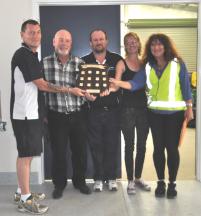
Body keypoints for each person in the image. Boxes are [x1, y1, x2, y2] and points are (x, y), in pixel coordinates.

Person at [110, 33, 194, 199]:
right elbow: (135, 84)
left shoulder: (177, 63)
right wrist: (117, 83)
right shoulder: (148, 66)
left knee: (172, 149)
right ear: (149, 47)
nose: (156, 47)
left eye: (159, 44)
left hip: (174, 114)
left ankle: (172, 184)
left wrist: (189, 107)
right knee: (157, 150)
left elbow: (185, 87)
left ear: (165, 46)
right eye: (153, 45)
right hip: (154, 114)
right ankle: (161, 182)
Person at [11, 19, 71, 214]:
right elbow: (42, 85)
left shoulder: (31, 54)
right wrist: (68, 90)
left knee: (26, 155)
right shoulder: (24, 55)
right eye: (30, 32)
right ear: (22, 35)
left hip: (31, 114)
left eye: (37, 32)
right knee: (26, 156)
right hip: (25, 115)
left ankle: (22, 192)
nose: (35, 35)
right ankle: (26, 200)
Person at [42, 29, 91, 199]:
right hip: (56, 116)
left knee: (80, 152)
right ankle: (59, 184)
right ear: (54, 42)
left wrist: (89, 95)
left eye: (67, 40)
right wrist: (43, 114)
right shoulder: (44, 63)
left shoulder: (80, 63)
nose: (64, 43)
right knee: (58, 152)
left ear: (71, 44)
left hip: (78, 115)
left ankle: (80, 182)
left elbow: (86, 90)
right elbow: (40, 91)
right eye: (60, 40)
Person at [82, 29, 122, 192]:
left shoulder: (117, 60)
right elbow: (81, 86)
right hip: (93, 112)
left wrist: (112, 87)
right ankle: (98, 178)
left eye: (101, 39)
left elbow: (119, 83)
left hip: (113, 111)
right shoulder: (84, 61)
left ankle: (111, 178)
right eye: (95, 40)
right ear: (90, 43)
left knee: (112, 145)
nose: (98, 42)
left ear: (106, 41)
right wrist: (86, 96)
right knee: (95, 146)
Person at [114, 32, 150, 195]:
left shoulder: (145, 63)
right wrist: (104, 90)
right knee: (130, 146)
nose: (131, 44)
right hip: (126, 110)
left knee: (142, 146)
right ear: (125, 45)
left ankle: (138, 177)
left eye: (134, 41)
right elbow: (115, 85)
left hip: (143, 109)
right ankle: (129, 181)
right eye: (128, 42)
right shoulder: (121, 63)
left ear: (138, 43)